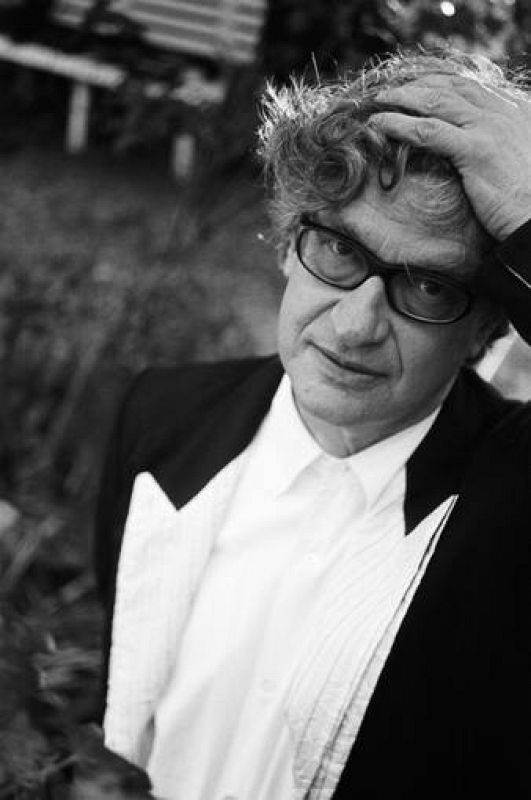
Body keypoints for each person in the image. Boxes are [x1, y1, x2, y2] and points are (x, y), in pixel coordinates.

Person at [95, 49, 531, 800]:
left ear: (485, 328)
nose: (356, 325)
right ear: (288, 245)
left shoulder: (513, 502)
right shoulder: (161, 414)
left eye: (428, 287)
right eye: (338, 248)